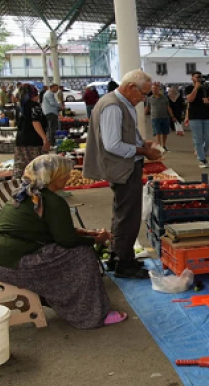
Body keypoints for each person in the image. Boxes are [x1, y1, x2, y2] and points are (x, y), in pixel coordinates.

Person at [0, 155, 127, 329]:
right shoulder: (52, 201)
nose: (68, 176)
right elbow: (67, 240)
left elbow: (48, 229)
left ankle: (70, 304)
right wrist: (95, 239)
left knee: (68, 251)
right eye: (65, 174)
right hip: (5, 263)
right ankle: (91, 315)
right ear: (53, 177)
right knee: (82, 254)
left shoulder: (26, 193)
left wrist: (85, 232)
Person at [83, 69, 162, 279]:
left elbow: (124, 134)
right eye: (143, 94)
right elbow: (113, 145)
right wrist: (143, 151)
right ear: (130, 87)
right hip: (122, 168)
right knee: (128, 216)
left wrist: (141, 143)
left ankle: (117, 256)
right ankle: (124, 263)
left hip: (124, 166)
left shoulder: (121, 103)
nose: (143, 99)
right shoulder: (113, 106)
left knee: (122, 213)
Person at [14, 86, 49, 179]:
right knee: (37, 168)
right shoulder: (35, 106)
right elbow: (35, 122)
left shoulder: (19, 106)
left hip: (20, 140)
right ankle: (36, 186)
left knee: (20, 168)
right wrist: (44, 139)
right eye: (37, 94)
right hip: (33, 141)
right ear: (33, 95)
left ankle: (18, 185)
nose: (38, 96)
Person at [184, 71, 209, 168]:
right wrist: (196, 88)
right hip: (194, 117)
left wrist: (208, 101)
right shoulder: (188, 88)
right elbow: (190, 99)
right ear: (192, 78)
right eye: (196, 77)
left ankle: (201, 152)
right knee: (198, 139)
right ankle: (202, 160)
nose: (199, 79)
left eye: (200, 77)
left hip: (207, 117)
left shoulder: (206, 89)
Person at [146, 82, 174, 152]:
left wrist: (172, 116)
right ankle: (159, 146)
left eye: (156, 88)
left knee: (165, 132)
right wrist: (143, 117)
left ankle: (163, 145)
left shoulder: (165, 98)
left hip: (164, 117)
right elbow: (147, 108)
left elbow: (168, 107)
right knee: (157, 132)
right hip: (155, 118)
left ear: (159, 89)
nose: (154, 90)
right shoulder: (149, 99)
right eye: (153, 88)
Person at [43, 83, 61, 147]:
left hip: (50, 112)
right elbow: (52, 103)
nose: (57, 90)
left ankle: (50, 142)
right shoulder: (49, 94)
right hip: (51, 113)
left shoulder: (49, 93)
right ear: (52, 88)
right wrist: (60, 105)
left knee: (51, 128)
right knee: (52, 128)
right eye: (56, 88)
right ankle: (51, 143)